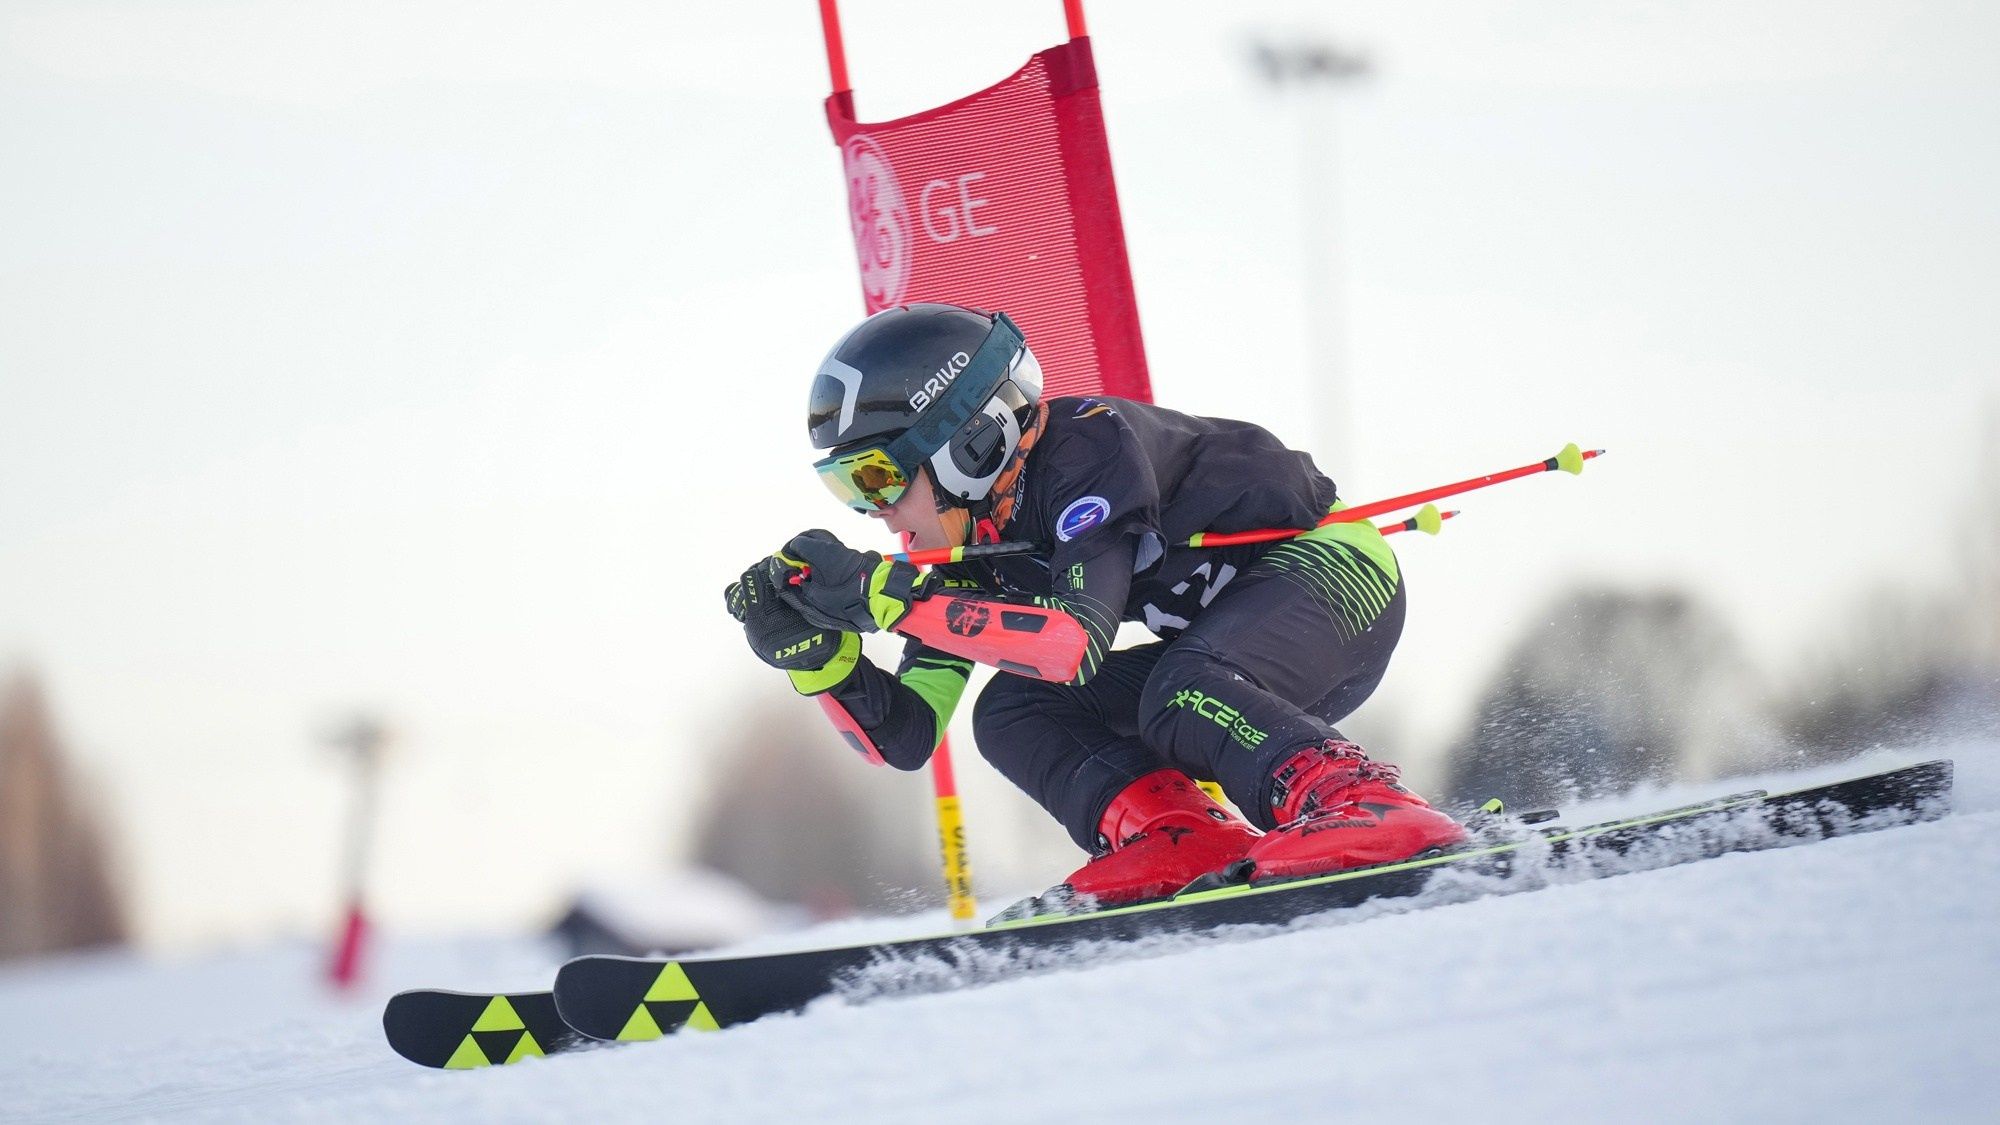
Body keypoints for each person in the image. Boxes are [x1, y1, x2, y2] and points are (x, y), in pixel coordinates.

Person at [725, 302, 1465, 912]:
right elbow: (909, 734)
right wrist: (821, 662)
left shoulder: (1085, 450)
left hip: (1337, 577)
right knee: (1012, 710)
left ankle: (1364, 802)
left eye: (879, 476)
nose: (876, 515)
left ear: (968, 443)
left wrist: (884, 597)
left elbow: (1073, 644)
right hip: (1237, 662)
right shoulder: (969, 541)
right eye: (848, 490)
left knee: (1181, 688)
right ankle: (1179, 836)